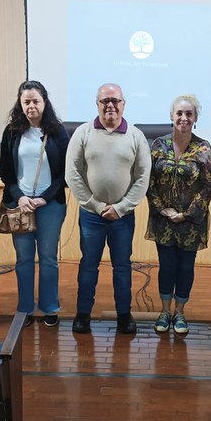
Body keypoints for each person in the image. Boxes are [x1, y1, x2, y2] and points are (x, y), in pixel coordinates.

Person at [65, 83, 151, 334]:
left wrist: (121, 207)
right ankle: (83, 314)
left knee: (122, 267)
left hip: (123, 217)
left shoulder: (135, 136)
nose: (110, 105)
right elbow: (72, 174)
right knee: (88, 265)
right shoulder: (82, 133)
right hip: (92, 215)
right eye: (105, 101)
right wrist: (96, 205)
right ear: (97, 104)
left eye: (115, 100)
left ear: (124, 104)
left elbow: (143, 176)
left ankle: (124, 315)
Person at [0, 81, 70, 327]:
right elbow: (5, 172)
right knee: (24, 258)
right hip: (21, 205)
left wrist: (45, 197)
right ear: (20, 103)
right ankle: (25, 308)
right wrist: (20, 196)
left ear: (45, 102)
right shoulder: (11, 131)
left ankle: (50, 307)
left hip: (50, 204)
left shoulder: (58, 132)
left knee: (48, 257)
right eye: (26, 101)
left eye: (35, 101)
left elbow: (65, 173)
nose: (31, 106)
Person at [146, 94, 211, 334]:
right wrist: (163, 210)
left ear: (195, 118)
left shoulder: (203, 147)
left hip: (191, 222)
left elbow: (208, 186)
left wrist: (186, 214)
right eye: (179, 113)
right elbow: (149, 182)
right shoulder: (158, 145)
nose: (184, 118)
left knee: (186, 267)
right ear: (171, 116)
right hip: (162, 220)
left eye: (189, 114)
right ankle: (165, 312)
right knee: (167, 266)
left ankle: (181, 314)